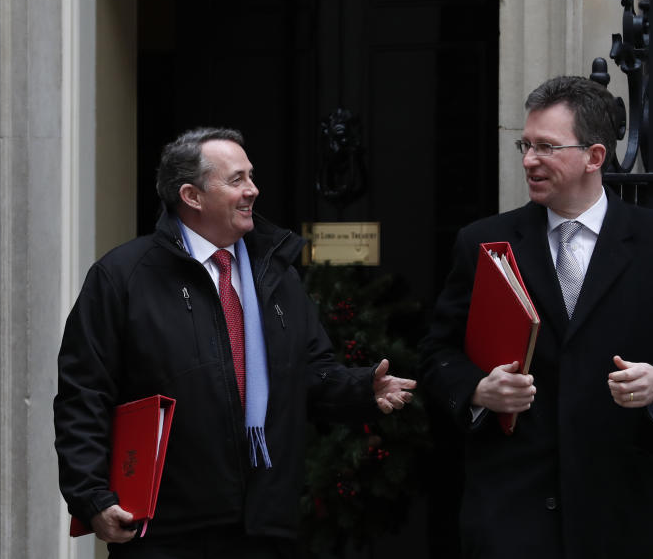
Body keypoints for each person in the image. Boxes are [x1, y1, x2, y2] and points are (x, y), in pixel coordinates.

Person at [54, 127, 416, 558]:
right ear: (191, 196)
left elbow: (308, 371)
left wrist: (360, 388)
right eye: (237, 180)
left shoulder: (277, 275)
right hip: (167, 531)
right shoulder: (123, 276)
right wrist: (93, 496)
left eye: (251, 176)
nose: (253, 191)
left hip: (264, 525)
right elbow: (84, 393)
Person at [419, 76, 653, 558]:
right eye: (525, 144)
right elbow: (438, 353)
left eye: (545, 147)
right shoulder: (482, 241)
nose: (528, 160)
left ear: (594, 157)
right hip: (512, 509)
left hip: (621, 509)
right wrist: (478, 389)